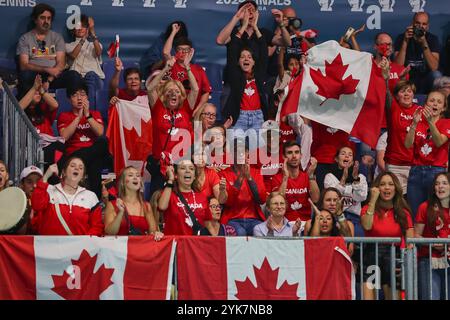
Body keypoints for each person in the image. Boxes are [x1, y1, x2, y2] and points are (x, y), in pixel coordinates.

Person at [146, 54, 198, 196]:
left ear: (181, 95)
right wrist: (166, 68)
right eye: (169, 91)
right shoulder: (158, 108)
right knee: (157, 202)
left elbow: (196, 90)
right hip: (160, 165)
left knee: (181, 203)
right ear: (163, 95)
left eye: (177, 91)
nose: (173, 93)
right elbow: (150, 88)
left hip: (181, 166)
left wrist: (187, 68)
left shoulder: (186, 108)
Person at [361, 172, 414, 300]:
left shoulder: (403, 212)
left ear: (396, 188)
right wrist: (372, 200)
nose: (386, 188)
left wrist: (405, 263)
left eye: (390, 184)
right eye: (382, 184)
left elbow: (410, 242)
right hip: (371, 254)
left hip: (394, 256)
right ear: (377, 188)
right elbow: (367, 226)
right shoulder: (368, 208)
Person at [57, 81, 110, 198]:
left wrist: (87, 116)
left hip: (93, 152)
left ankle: (94, 201)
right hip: (74, 155)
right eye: (75, 95)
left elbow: (100, 132)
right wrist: (78, 118)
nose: (79, 98)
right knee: (95, 161)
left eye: (82, 94)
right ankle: (96, 201)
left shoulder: (94, 114)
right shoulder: (64, 116)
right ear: (69, 99)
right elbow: (64, 136)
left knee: (103, 144)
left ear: (87, 97)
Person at [16, 3, 81, 97]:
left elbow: (61, 63)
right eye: (42, 18)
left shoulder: (57, 38)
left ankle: (71, 111)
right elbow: (24, 65)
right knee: (25, 75)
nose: (46, 21)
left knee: (74, 76)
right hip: (34, 76)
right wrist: (46, 69)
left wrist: (49, 80)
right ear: (35, 19)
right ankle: (28, 110)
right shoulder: (25, 39)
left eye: (49, 18)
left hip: (53, 77)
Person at [222, 7, 268, 134]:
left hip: (258, 118)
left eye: (249, 57)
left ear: (254, 62)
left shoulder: (259, 74)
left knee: (257, 152)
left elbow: (264, 51)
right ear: (238, 62)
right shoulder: (235, 75)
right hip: (239, 118)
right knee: (236, 151)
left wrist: (255, 27)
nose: (246, 59)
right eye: (242, 57)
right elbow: (232, 49)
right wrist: (243, 26)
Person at [30, 158, 103, 236]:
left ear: (83, 177)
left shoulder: (90, 196)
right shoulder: (49, 190)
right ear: (63, 172)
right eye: (72, 166)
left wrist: (84, 242)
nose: (77, 168)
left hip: (79, 247)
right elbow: (37, 206)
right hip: (50, 246)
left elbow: (97, 226)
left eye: (81, 168)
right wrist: (45, 178)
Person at [405, 90, 449, 218]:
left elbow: (439, 142)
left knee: (436, 215)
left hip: (436, 173)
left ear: (443, 108)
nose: (435, 104)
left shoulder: (447, 123)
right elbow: (407, 144)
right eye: (432, 100)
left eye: (439, 102)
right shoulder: (417, 122)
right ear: (425, 105)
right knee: (415, 213)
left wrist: (430, 122)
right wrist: (413, 123)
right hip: (416, 171)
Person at [218, 140, 267, 236]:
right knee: (240, 232)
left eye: (243, 150)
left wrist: (249, 178)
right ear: (232, 154)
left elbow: (262, 200)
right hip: (232, 219)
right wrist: (241, 177)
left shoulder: (256, 172)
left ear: (247, 153)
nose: (241, 153)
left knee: (261, 231)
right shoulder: (224, 174)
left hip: (254, 218)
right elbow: (228, 202)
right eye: (237, 150)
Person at [415, 172, 450, 300]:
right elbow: (416, 235)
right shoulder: (425, 207)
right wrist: (431, 243)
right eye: (437, 184)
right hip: (429, 260)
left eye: (444, 183)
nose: (440, 186)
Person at [18, 74, 64, 170]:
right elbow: (18, 109)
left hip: (48, 147)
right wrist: (34, 88)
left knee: (58, 146)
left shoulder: (44, 109)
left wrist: (41, 91)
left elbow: (55, 105)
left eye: (38, 92)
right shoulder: (21, 112)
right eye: (35, 92)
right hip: (29, 148)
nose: (38, 93)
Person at [384, 79, 421, 196]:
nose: (406, 94)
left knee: (414, 201)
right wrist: (386, 78)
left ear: (413, 94)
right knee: (398, 200)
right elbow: (386, 93)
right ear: (396, 96)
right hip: (395, 164)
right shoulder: (393, 108)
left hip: (415, 165)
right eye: (402, 91)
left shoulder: (420, 110)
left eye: (409, 91)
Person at [104, 166, 163, 239]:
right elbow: (110, 232)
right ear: (122, 182)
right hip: (119, 249)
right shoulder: (112, 205)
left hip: (141, 248)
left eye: (138, 175)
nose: (135, 177)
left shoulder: (146, 206)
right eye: (130, 175)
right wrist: (120, 213)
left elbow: (153, 232)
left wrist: (157, 234)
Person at [158, 160, 212, 235]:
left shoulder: (202, 197)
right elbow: (162, 206)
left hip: (196, 244)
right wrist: (170, 179)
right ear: (176, 175)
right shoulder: (169, 194)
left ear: (194, 176)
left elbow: (208, 224)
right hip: (176, 244)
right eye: (183, 168)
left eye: (191, 169)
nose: (187, 171)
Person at [271, 140, 320, 224]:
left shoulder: (307, 176)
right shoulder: (277, 178)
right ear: (283, 157)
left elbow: (316, 199)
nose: (294, 156)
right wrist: (285, 178)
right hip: (285, 223)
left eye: (297, 152)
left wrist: (311, 175)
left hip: (306, 223)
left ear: (301, 155)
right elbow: (278, 202)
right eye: (290, 153)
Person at [324, 146, 368, 237]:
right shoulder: (329, 176)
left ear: (353, 160)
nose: (346, 156)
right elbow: (333, 198)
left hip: (355, 218)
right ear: (336, 159)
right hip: (335, 217)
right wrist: (343, 180)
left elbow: (361, 197)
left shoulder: (361, 177)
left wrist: (356, 180)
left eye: (350, 155)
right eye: (343, 154)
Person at [163, 28, 211, 111]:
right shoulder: (172, 65)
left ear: (191, 51)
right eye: (180, 49)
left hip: (192, 110)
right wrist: (173, 32)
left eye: (186, 50)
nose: (183, 52)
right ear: (175, 51)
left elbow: (206, 92)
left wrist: (197, 110)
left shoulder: (199, 69)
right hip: (173, 110)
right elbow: (166, 52)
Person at [394, 12, 441, 94]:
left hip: (425, 77)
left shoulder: (432, 39)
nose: (420, 26)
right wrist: (405, 41)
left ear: (427, 26)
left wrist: (424, 42)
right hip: (407, 76)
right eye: (418, 23)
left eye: (424, 24)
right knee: (396, 75)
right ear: (412, 23)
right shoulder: (402, 37)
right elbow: (398, 65)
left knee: (436, 75)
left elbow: (434, 67)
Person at [66, 14, 104, 107]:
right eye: (77, 26)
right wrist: (83, 39)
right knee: (76, 77)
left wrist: (92, 31)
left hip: (95, 79)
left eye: (83, 26)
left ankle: (89, 112)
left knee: (90, 75)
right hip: (78, 81)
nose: (80, 28)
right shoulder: (68, 45)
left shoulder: (94, 44)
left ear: (87, 29)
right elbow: (73, 55)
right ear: (73, 30)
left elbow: (98, 52)